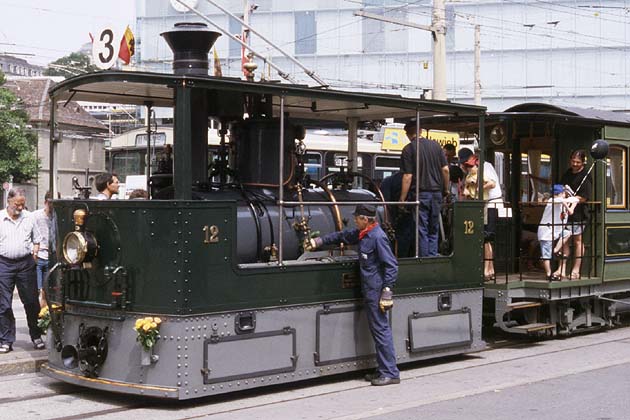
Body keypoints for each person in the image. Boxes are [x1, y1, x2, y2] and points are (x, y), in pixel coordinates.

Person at [304, 204, 400, 386]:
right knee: (377, 331)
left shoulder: (378, 237)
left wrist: (387, 291)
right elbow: (342, 236)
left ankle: (390, 373)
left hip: (376, 292)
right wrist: (319, 242)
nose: (355, 220)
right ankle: (383, 369)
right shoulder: (363, 233)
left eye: (357, 218)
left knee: (381, 331)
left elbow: (391, 265)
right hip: (369, 289)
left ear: (366, 219)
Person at [0, 189, 45, 353]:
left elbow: (37, 238)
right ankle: (6, 340)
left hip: (25, 263)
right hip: (4, 264)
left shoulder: (29, 217)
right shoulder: (0, 218)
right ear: (9, 201)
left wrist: (35, 253)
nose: (20, 208)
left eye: (22, 204)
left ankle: (36, 335)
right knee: (4, 304)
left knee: (32, 302)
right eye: (17, 204)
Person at [398, 121, 449, 257]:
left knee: (422, 230)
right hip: (436, 193)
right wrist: (446, 189)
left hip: (420, 194)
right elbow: (445, 170)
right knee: (434, 229)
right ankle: (432, 258)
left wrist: (402, 199)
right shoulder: (436, 146)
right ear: (420, 131)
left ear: (408, 134)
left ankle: (424, 260)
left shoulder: (408, 149)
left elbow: (408, 176)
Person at [458, 148, 502, 281]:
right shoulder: (471, 171)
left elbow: (492, 184)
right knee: (484, 239)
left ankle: (487, 269)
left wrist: (477, 187)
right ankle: (490, 269)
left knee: (486, 238)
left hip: (490, 205)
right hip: (481, 206)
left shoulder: (485, 166)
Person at [556, 150, 591, 280]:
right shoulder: (567, 174)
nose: (575, 164)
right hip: (565, 213)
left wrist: (573, 199)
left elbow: (584, 197)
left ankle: (576, 270)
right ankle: (561, 268)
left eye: (578, 162)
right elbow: (561, 189)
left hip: (579, 214)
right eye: (573, 161)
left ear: (583, 162)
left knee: (577, 241)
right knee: (564, 241)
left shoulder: (586, 176)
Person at [538, 184, 578, 281]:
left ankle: (556, 250)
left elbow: (575, 200)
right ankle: (548, 274)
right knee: (546, 255)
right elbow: (562, 200)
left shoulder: (562, 201)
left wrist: (570, 205)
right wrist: (568, 204)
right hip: (546, 232)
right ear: (561, 193)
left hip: (556, 230)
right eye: (564, 193)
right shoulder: (553, 200)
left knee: (567, 233)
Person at [380, 171, 414, 257]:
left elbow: (385, 201)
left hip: (394, 214)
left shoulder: (388, 181)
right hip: (407, 213)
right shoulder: (415, 180)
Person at [32, 191, 53, 308]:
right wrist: (33, 251)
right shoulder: (36, 216)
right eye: (50, 204)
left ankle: (43, 317)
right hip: (38, 257)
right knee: (36, 289)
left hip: (50, 258)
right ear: (46, 203)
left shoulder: (56, 217)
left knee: (46, 291)